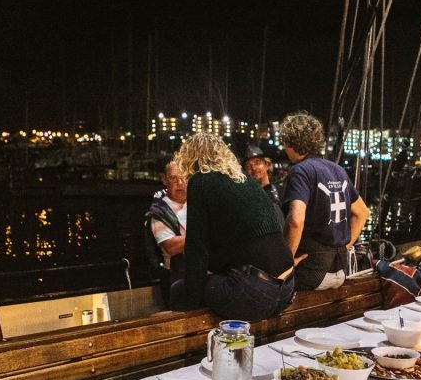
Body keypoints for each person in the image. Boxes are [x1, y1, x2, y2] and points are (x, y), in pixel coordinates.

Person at [171, 132, 295, 321]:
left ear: (190, 158)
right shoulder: (246, 181)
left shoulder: (201, 181)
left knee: (180, 289)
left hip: (258, 292)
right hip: (287, 287)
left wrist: (191, 299)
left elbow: (197, 249)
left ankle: (192, 347)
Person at [279, 111, 370, 291]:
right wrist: (345, 247)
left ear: (290, 142)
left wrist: (285, 264)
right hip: (340, 270)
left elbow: (296, 221)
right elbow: (363, 213)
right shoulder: (337, 170)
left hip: (311, 271)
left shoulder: (300, 171)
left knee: (266, 285)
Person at [145, 161, 187, 304]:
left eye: (185, 177)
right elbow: (171, 247)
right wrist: (206, 234)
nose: (180, 183)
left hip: (204, 274)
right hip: (176, 278)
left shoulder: (199, 201)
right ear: (164, 180)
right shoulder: (159, 212)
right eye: (173, 178)